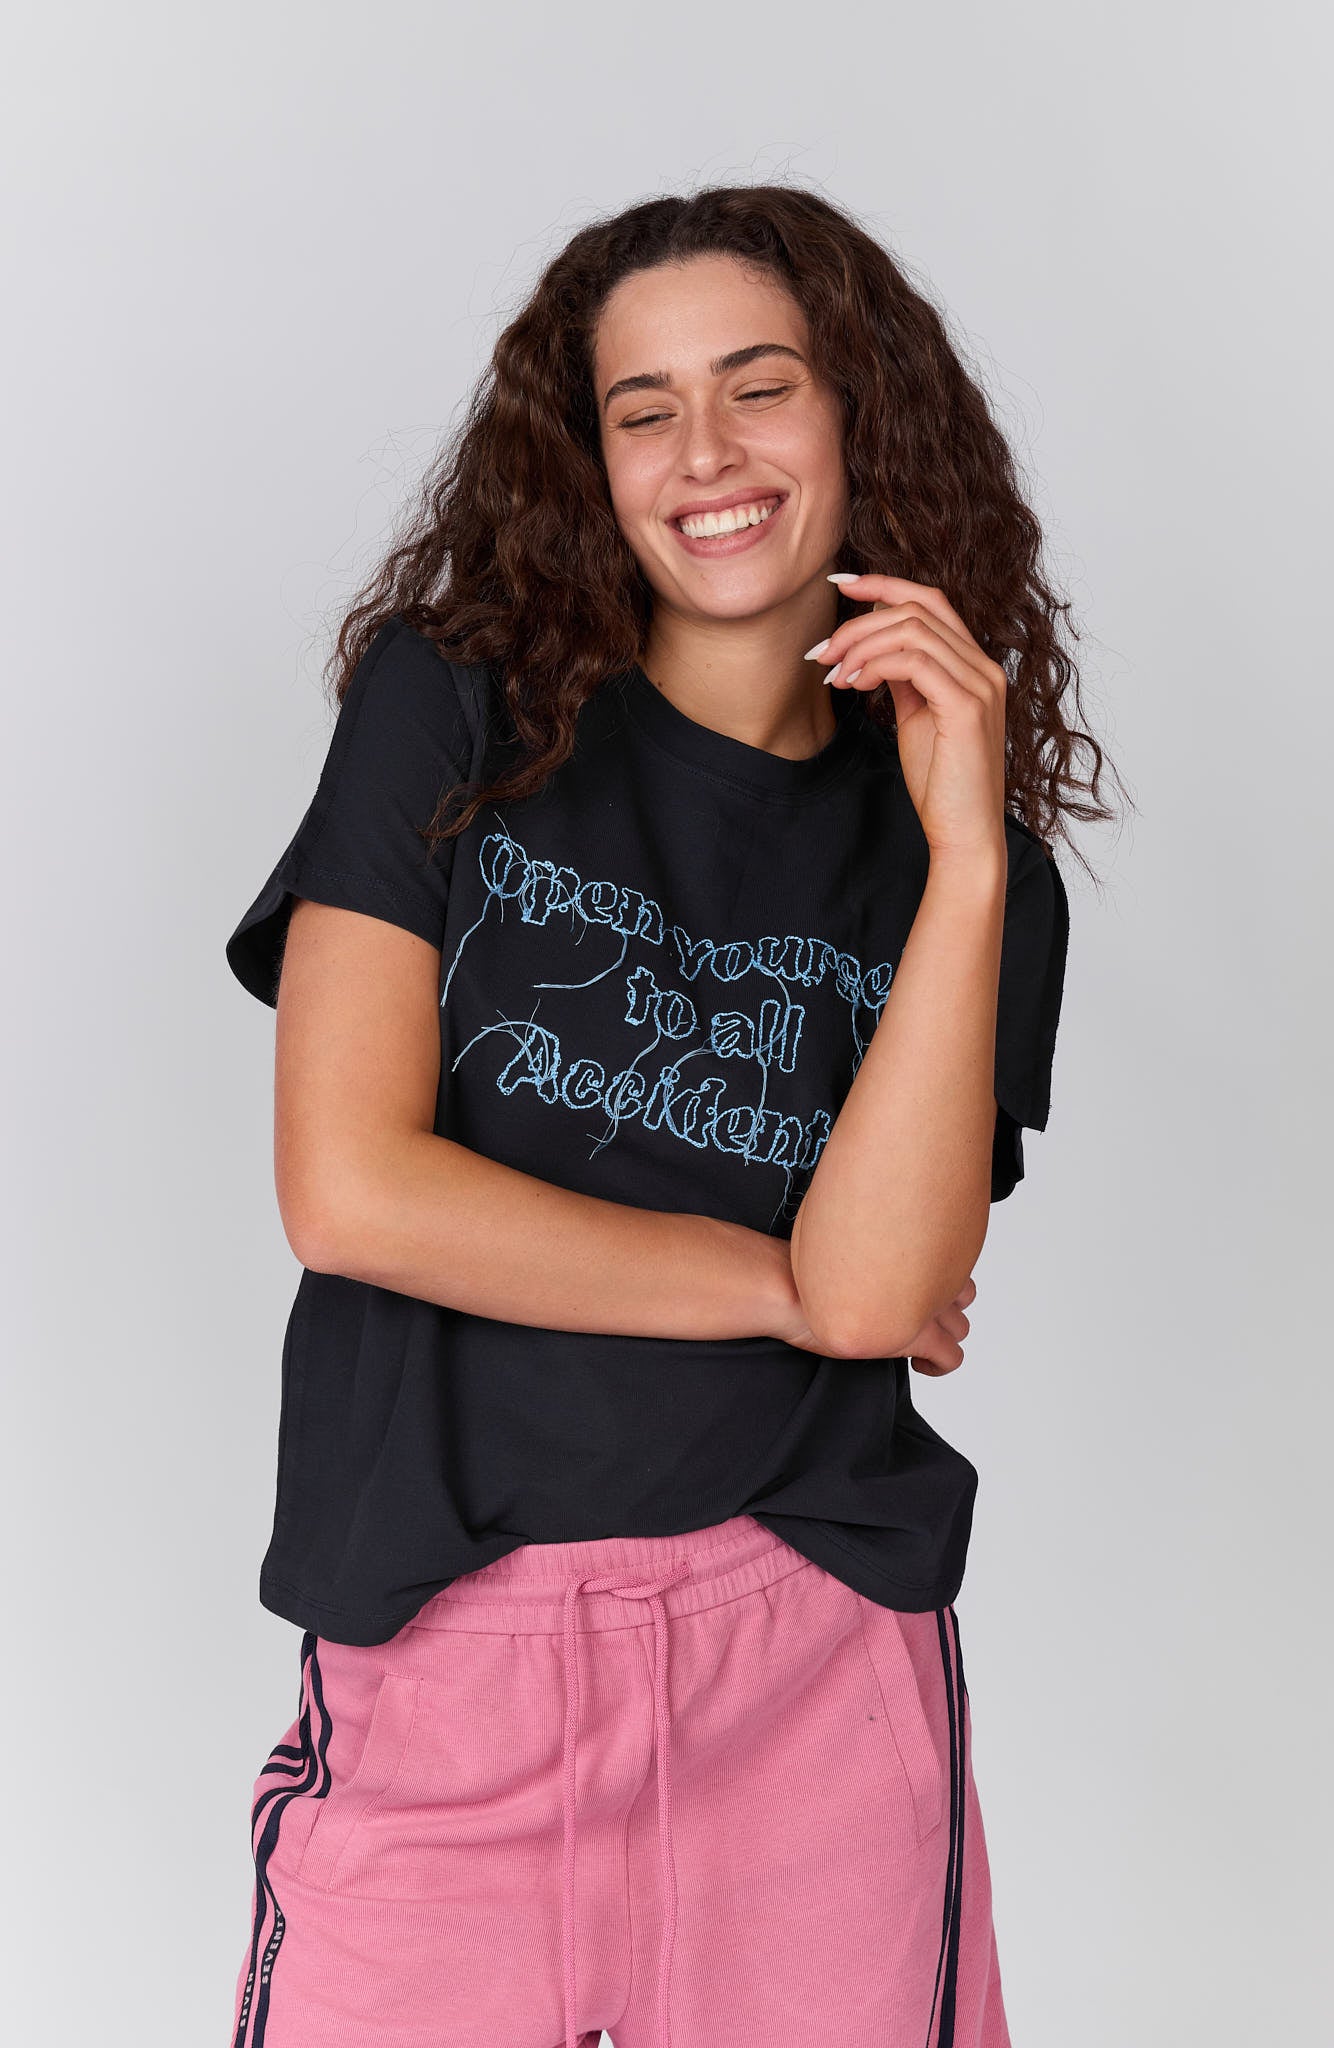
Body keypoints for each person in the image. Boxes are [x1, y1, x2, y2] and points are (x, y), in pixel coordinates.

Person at [223, 185, 1115, 2048]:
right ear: (591, 458)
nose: (705, 452)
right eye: (645, 409)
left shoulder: (974, 877)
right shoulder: (452, 706)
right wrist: (775, 1282)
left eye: (759, 386)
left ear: (860, 415)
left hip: (813, 1664)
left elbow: (882, 1293)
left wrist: (963, 858)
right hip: (448, 1639)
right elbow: (352, 1189)